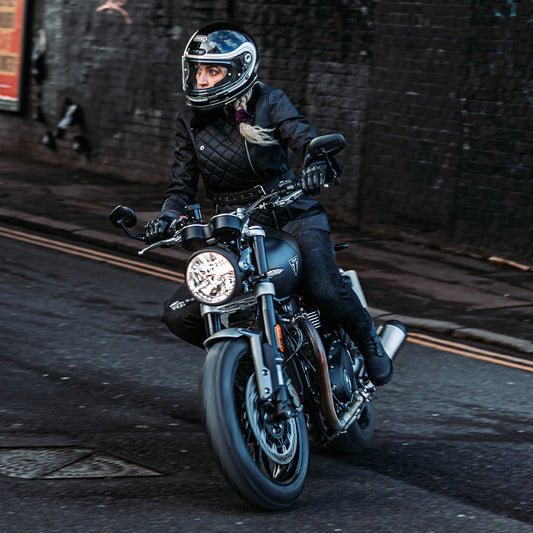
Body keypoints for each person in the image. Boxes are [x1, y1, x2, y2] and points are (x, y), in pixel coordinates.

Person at [145, 22, 393, 386]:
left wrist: (317, 164)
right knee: (181, 314)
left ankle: (369, 342)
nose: (201, 78)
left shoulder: (269, 102)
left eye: (212, 71)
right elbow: (181, 185)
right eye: (198, 69)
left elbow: (303, 139)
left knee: (324, 288)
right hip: (235, 228)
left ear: (239, 70)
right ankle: (246, 363)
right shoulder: (189, 121)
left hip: (291, 214)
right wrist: (169, 215)